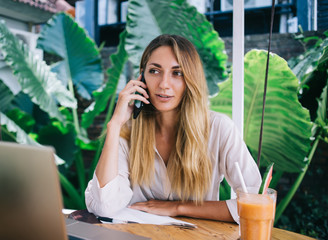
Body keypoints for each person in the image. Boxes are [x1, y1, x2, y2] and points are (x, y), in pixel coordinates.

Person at [85, 34, 261, 223]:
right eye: (154, 71)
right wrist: (114, 126)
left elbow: (254, 206)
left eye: (177, 73)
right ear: (141, 77)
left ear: (190, 79)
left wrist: (178, 207)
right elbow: (104, 206)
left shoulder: (219, 128)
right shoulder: (127, 131)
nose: (163, 84)